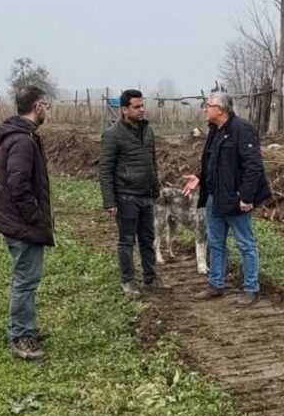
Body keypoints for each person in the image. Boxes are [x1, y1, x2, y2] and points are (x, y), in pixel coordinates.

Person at [183, 91, 271, 306]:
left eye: (208, 105)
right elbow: (215, 165)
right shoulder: (214, 131)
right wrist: (200, 178)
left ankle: (251, 288)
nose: (205, 109)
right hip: (215, 197)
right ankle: (216, 284)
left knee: (245, 244)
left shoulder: (243, 130)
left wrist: (247, 196)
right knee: (215, 242)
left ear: (220, 109)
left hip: (236, 199)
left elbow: (253, 167)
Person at [0, 86, 54, 362]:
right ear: (37, 106)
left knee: (26, 279)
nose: (48, 111)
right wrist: (35, 217)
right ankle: (21, 337)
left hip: (18, 223)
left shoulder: (22, 137)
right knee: (25, 281)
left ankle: (27, 328)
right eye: (47, 105)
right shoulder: (22, 141)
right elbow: (17, 185)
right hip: (22, 225)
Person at [99, 89, 170, 297]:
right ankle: (128, 281)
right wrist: (109, 201)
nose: (141, 110)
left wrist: (155, 188)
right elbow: (105, 170)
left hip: (146, 195)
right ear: (124, 109)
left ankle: (151, 277)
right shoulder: (113, 135)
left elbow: (152, 161)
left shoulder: (147, 131)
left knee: (148, 238)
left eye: (142, 106)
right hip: (126, 196)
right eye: (136, 107)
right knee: (127, 240)